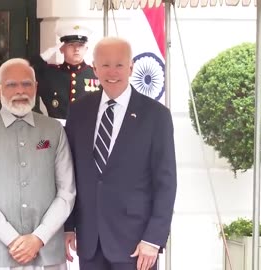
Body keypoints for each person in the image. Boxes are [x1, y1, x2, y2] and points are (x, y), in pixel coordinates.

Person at [64, 37, 177, 270]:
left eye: (119, 65)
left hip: (136, 244)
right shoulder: (78, 111)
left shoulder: (156, 116)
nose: (112, 72)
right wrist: (68, 226)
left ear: (131, 67)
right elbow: (69, 174)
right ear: (94, 68)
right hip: (90, 241)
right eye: (105, 65)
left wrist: (153, 239)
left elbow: (166, 182)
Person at [0, 58, 76, 270]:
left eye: (26, 84)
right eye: (11, 85)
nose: (20, 91)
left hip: (46, 253)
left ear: (36, 88)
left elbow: (67, 192)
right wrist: (12, 239)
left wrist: (38, 238)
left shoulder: (54, 130)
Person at [31, 24, 99, 120]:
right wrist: (47, 54)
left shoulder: (96, 74)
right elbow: (25, 71)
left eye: (80, 45)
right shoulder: (49, 74)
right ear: (61, 49)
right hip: (57, 131)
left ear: (86, 49)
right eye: (71, 45)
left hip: (87, 131)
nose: (76, 49)